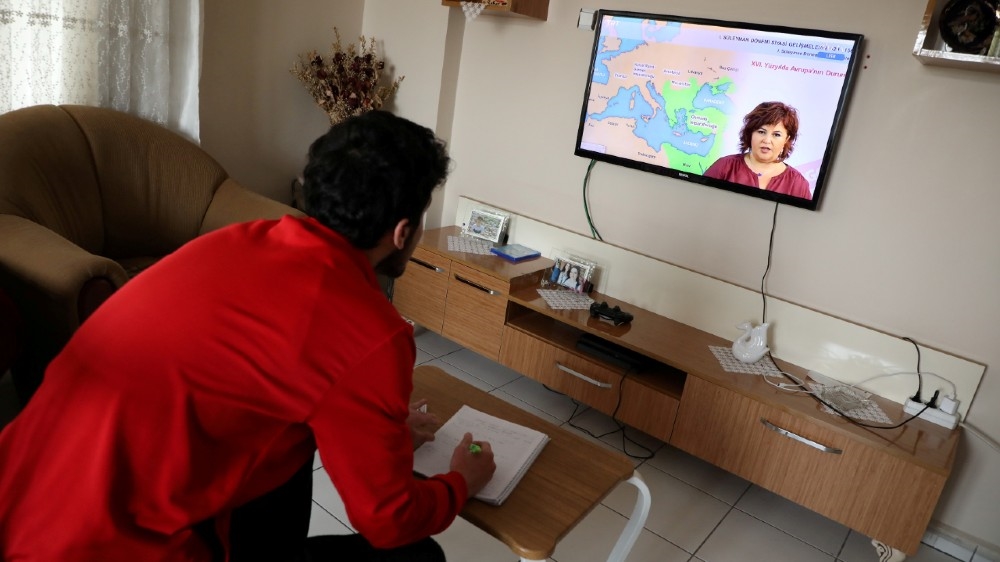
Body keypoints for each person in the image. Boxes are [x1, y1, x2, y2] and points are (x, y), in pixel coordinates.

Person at [0, 111, 497, 562]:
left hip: (21, 504)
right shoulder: (370, 332)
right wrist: (460, 482)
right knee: (419, 556)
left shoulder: (234, 241)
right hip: (116, 545)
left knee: (290, 449)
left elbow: (271, 377)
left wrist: (381, 436)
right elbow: (388, 521)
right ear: (403, 231)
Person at [704, 101, 812, 200]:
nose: (767, 140)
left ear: (786, 139)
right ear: (751, 133)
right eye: (761, 132)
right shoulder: (725, 167)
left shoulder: (798, 184)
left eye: (776, 135)